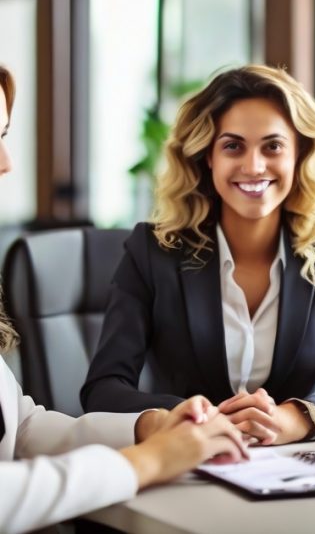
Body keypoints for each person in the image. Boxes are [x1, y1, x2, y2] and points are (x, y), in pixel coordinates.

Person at [81, 64, 315, 445]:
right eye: (233, 146)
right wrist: (192, 418)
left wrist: (297, 417)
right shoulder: (153, 252)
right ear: (207, 156)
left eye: (273, 146)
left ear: (299, 153)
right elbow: (103, 389)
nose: (253, 166)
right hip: (186, 465)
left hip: (294, 471)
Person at [0, 65, 247, 534]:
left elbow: (21, 429)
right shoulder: (151, 254)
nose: (7, 162)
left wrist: (145, 427)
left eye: (5, 134)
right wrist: (142, 463)